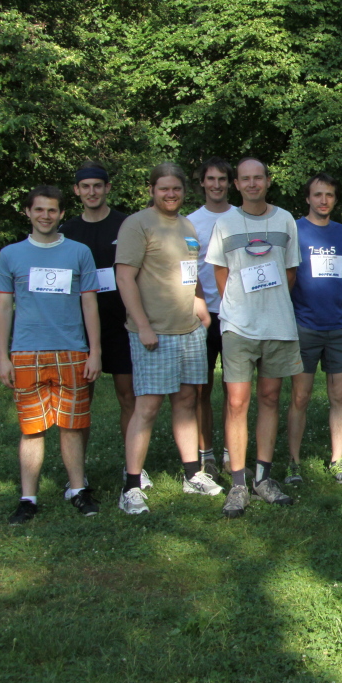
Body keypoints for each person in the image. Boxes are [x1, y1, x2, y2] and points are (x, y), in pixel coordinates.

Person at [115, 163, 220, 514]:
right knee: (147, 407)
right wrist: (142, 324)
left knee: (187, 401)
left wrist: (200, 306)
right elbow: (125, 278)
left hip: (188, 330)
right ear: (151, 190)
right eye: (164, 188)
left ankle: (193, 475)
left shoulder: (187, 226)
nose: (170, 194)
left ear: (184, 191)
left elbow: (189, 273)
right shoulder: (137, 224)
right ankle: (131, 486)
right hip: (154, 332)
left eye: (176, 188)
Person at [0, 186, 102, 523]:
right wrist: (3, 357)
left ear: (61, 214)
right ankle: (28, 498)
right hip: (27, 352)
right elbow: (3, 308)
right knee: (32, 428)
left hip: (72, 350)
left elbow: (89, 303)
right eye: (39, 209)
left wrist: (95, 351)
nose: (45, 216)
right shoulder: (10, 255)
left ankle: (78, 490)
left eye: (52, 210)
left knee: (72, 425)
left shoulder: (79, 252)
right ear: (28, 212)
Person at [206, 158, 302, 518]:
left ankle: (262, 478)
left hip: (277, 324)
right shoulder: (225, 223)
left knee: (270, 398)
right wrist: (240, 306)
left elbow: (290, 272)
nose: (252, 184)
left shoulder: (285, 220)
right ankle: (238, 484)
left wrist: (268, 303)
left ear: (267, 180)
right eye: (245, 179)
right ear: (237, 184)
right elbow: (220, 272)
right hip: (238, 327)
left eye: (257, 177)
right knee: (236, 402)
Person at [283, 173, 342, 485]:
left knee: (339, 396)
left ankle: (337, 459)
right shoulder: (294, 230)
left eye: (329, 194)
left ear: (335, 199)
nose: (323, 200)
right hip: (305, 326)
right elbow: (288, 275)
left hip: (341, 327)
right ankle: (293, 462)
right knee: (300, 397)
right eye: (317, 194)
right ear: (308, 198)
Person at [60, 163, 134, 468]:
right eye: (85, 186)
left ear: (107, 188)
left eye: (97, 186)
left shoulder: (126, 225)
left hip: (122, 324)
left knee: (128, 397)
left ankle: (134, 469)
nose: (92, 192)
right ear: (77, 190)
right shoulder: (66, 231)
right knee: (80, 403)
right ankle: (79, 473)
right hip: (78, 328)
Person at [186, 157, 235, 479]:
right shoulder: (190, 223)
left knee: (235, 391)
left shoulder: (241, 217)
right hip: (202, 315)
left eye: (222, 179)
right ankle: (207, 456)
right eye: (211, 179)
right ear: (202, 182)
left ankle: (232, 453)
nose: (216, 185)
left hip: (235, 315)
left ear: (230, 183)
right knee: (200, 390)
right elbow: (187, 269)